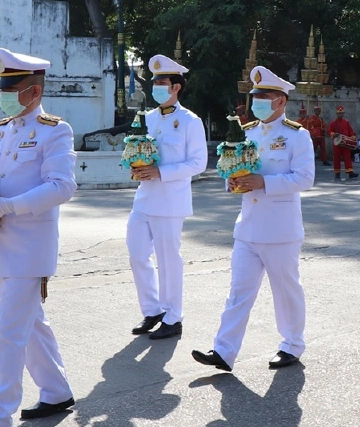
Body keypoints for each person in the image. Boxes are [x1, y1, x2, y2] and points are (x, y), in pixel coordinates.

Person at [0, 48, 79, 427]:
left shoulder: (54, 130)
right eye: (3, 89)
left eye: (13, 90)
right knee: (31, 324)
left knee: (9, 331)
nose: (6, 96)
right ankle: (56, 390)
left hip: (30, 244)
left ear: (34, 90)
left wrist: (8, 205)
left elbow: (62, 186)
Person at [191, 66, 315, 372]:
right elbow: (231, 170)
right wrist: (232, 182)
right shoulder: (245, 133)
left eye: (264, 96)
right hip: (247, 226)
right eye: (254, 96)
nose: (256, 101)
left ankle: (291, 344)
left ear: (281, 101)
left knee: (285, 290)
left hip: (281, 228)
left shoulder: (297, 135)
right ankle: (224, 351)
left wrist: (264, 183)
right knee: (239, 290)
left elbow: (305, 178)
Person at [127, 55, 209, 340]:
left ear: (176, 87)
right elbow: (137, 152)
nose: (157, 88)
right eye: (155, 83)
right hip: (144, 198)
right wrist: (134, 168)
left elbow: (198, 163)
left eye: (162, 83)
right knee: (137, 254)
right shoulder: (147, 119)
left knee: (168, 260)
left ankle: (173, 317)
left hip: (171, 200)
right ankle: (152, 310)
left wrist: (160, 173)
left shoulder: (190, 121)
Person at [328, 105, 357, 180]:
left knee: (347, 157)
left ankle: (350, 172)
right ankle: (337, 173)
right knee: (337, 158)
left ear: (343, 114)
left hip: (345, 143)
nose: (340, 114)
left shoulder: (346, 122)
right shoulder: (333, 123)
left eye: (342, 113)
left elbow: (351, 131)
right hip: (337, 143)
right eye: (339, 113)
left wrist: (352, 138)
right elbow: (330, 131)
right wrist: (334, 134)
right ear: (337, 114)